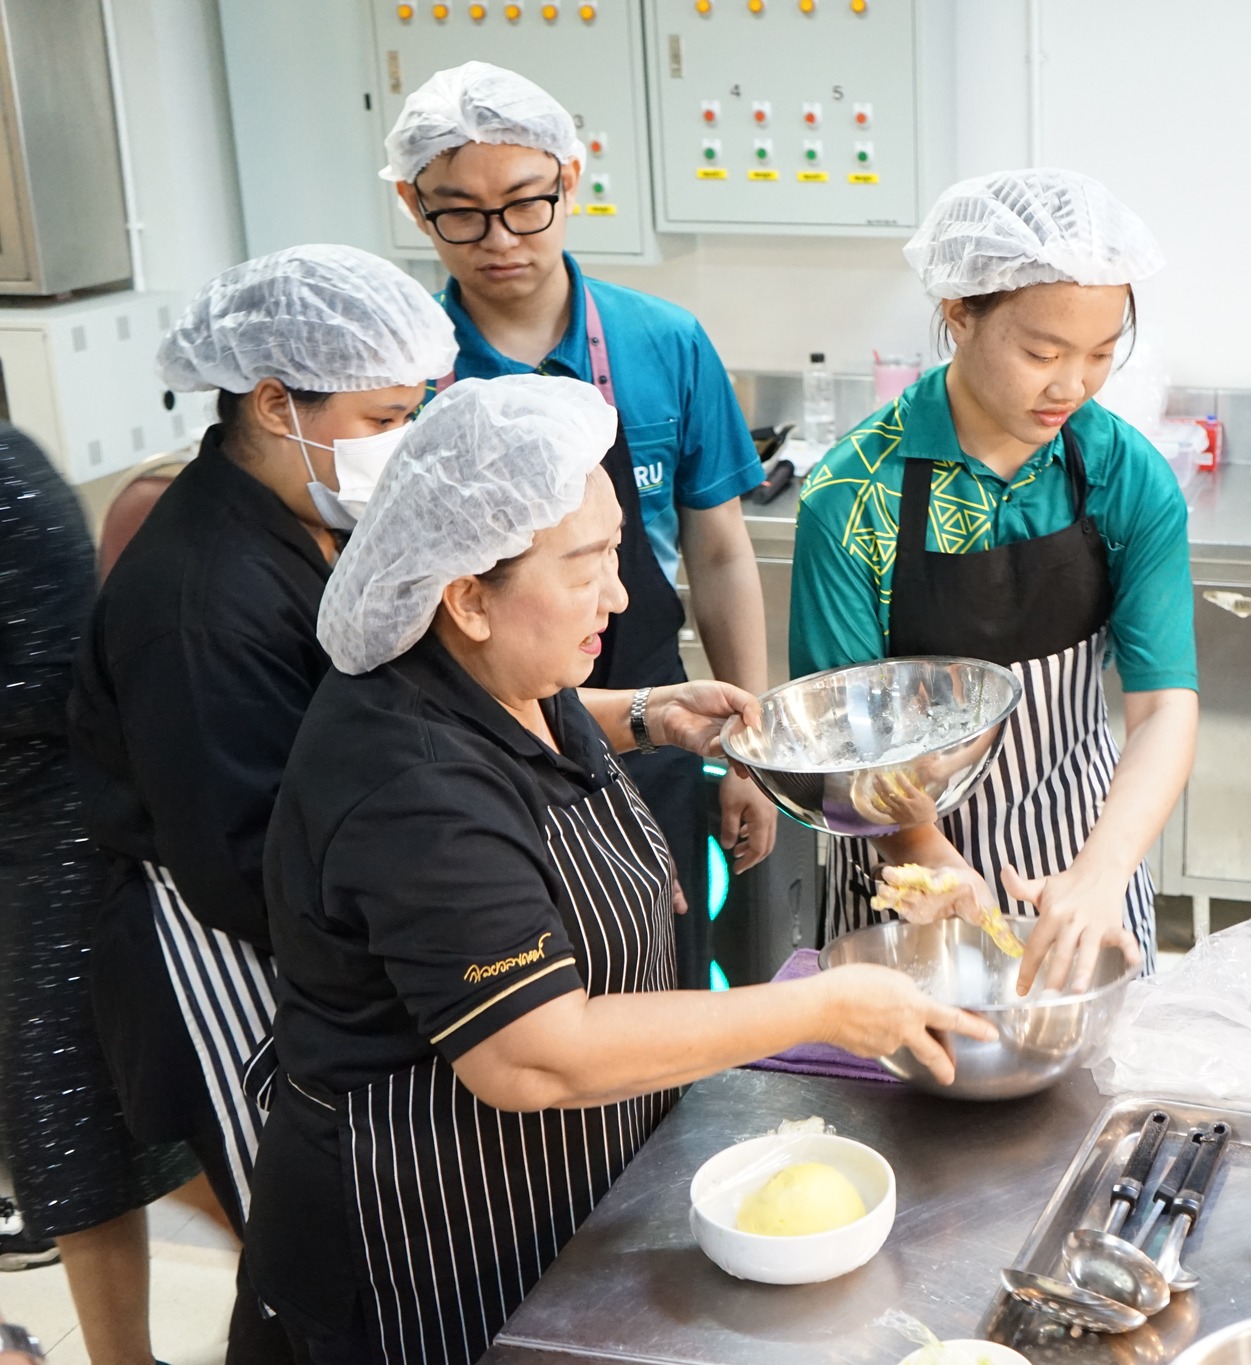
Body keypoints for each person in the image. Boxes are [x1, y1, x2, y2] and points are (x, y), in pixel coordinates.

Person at [245, 375, 992, 1364]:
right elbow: (537, 1056)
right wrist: (819, 1007)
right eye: (585, 567)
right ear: (467, 597)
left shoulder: (497, 667)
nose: (621, 594)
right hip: (423, 1241)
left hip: (554, 1196)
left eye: (615, 551)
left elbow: (531, 731)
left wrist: (646, 714)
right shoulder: (412, 791)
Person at [69, 244, 456, 1360]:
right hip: (225, 961)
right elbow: (241, 860)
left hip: (311, 928)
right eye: (383, 417)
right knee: (315, 1265)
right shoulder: (199, 597)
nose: (401, 440)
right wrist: (412, 946)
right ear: (279, 401)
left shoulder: (307, 520)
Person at [382, 62, 777, 969]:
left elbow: (720, 553)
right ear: (412, 203)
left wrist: (749, 754)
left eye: (526, 203)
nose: (498, 240)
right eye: (459, 213)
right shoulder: (403, 381)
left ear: (571, 177)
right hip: (474, 751)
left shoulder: (663, 343)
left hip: (649, 720)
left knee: (665, 981)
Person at [790, 169, 1200, 994]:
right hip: (903, 877)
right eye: (1042, 353)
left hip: (1082, 861)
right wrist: (928, 857)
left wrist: (1100, 874)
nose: (1072, 386)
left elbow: (1162, 707)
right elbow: (847, 745)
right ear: (959, 313)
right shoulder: (854, 496)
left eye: (1100, 353)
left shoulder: (1122, 474)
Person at [0, 426, 199, 1363]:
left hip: (55, 833)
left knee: (81, 1112)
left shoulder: (9, 481)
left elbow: (44, 693)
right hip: (35, 829)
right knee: (72, 1126)